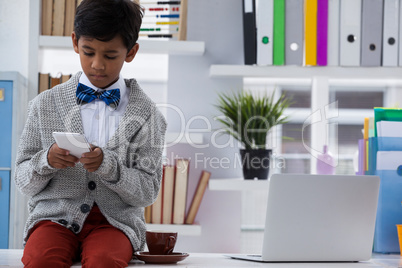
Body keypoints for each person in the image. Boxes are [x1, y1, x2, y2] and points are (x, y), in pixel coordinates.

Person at [14, 0, 167, 267]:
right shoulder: (44, 104)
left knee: (104, 261)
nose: (97, 65)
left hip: (115, 223)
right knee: (40, 259)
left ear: (131, 52)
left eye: (110, 56)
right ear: (75, 42)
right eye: (88, 52)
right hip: (53, 218)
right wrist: (46, 160)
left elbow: (148, 191)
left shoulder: (149, 116)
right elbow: (23, 181)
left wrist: (109, 167)